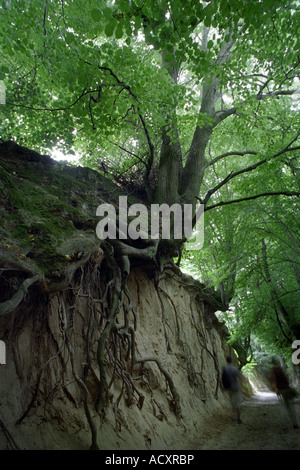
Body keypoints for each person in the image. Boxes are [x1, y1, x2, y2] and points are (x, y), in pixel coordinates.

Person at [271, 360, 299, 430]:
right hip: (288, 393)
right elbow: (287, 383)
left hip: (281, 394)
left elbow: (274, 385)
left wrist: (276, 390)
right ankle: (294, 423)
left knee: (283, 410)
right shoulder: (283, 374)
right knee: (291, 409)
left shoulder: (274, 374)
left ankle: (285, 426)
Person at [222, 356, 243, 424]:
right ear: (232, 361)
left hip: (229, 388)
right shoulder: (235, 369)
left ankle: (232, 417)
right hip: (236, 388)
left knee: (231, 402)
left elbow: (223, 379)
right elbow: (239, 379)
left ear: (226, 361)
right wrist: (240, 387)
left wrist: (224, 387)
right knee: (238, 403)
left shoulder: (224, 368)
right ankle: (238, 418)